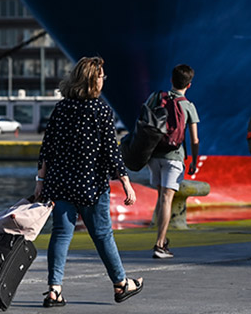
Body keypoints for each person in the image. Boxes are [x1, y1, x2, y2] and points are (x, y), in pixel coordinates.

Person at [35, 56, 143, 307]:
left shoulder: (61, 109)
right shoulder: (101, 109)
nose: (104, 80)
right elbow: (110, 151)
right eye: (102, 76)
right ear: (93, 81)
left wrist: (40, 181)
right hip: (91, 185)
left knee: (61, 235)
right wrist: (126, 182)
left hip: (61, 184)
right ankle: (120, 284)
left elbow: (47, 148)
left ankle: (54, 289)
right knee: (103, 235)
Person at [146, 64, 200, 259]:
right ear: (189, 85)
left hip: (154, 156)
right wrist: (194, 161)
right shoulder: (188, 106)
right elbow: (194, 139)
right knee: (167, 199)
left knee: (161, 198)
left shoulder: (156, 98)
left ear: (171, 80)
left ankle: (163, 238)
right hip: (174, 157)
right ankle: (160, 244)